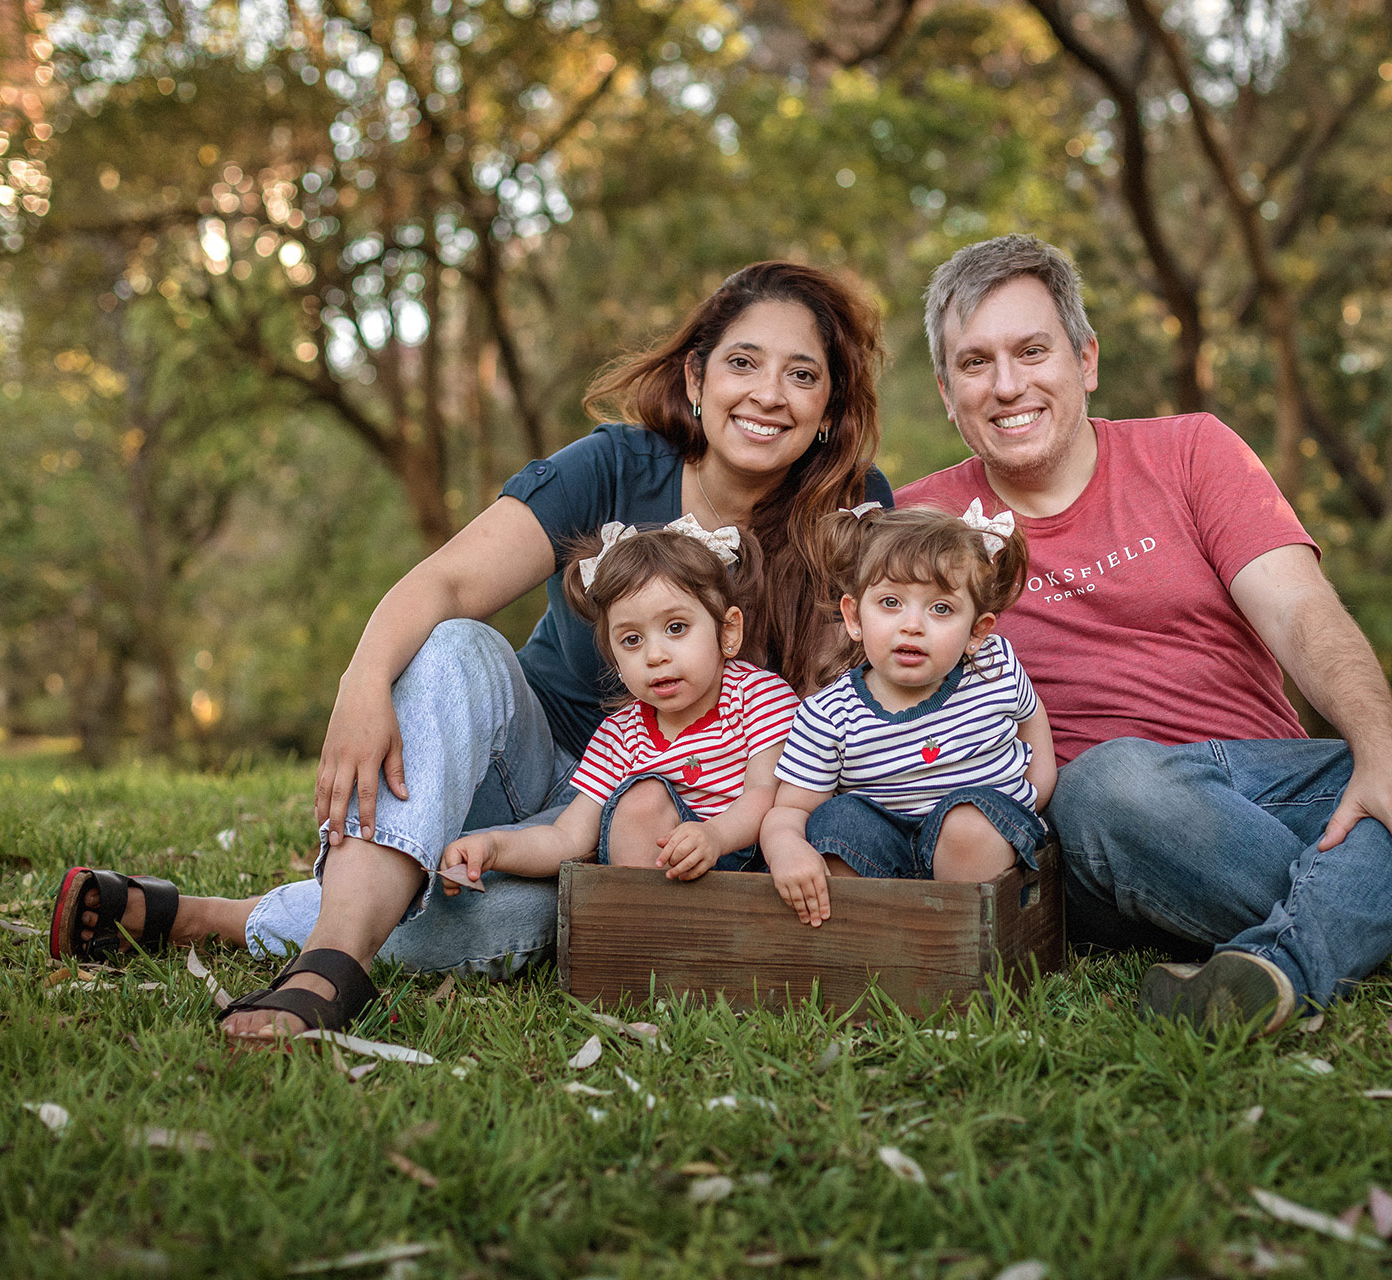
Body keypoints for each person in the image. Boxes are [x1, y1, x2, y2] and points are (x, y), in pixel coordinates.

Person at [48, 261, 892, 1043]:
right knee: (454, 645)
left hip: (681, 835)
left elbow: (866, 695)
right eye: (744, 363)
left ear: (829, 409)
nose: (769, 395)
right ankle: (332, 964)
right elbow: (447, 584)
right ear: (695, 379)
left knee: (513, 929)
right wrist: (362, 683)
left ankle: (211, 917)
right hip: (532, 773)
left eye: (803, 374)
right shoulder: (613, 466)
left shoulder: (852, 515)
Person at [897, 234, 1392, 1034]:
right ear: (944, 389)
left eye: (1033, 350)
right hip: (1105, 837)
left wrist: (1380, 745)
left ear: (1086, 360)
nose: (1007, 385)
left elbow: (1300, 609)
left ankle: (1277, 967)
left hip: (1263, 792)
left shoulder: (1191, 450)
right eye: (974, 362)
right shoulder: (920, 526)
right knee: (1108, 781)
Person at [438, 519, 797, 889]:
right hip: (649, 876)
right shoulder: (620, 734)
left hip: (743, 867)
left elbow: (764, 795)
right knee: (643, 800)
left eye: (676, 627)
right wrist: (495, 847)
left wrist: (715, 836)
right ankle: (642, 930)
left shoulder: (756, 696)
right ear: (614, 659)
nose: (655, 655)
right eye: (631, 640)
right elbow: (568, 839)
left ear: (728, 630)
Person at [761, 503, 1056, 926]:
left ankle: (962, 944)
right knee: (834, 819)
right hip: (882, 857)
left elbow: (1031, 718)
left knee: (968, 822)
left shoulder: (994, 669)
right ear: (853, 616)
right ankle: (876, 942)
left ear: (977, 631)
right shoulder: (829, 713)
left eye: (940, 609)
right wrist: (786, 847)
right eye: (890, 602)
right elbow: (790, 810)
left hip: (980, 846)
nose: (912, 625)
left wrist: (1035, 792)